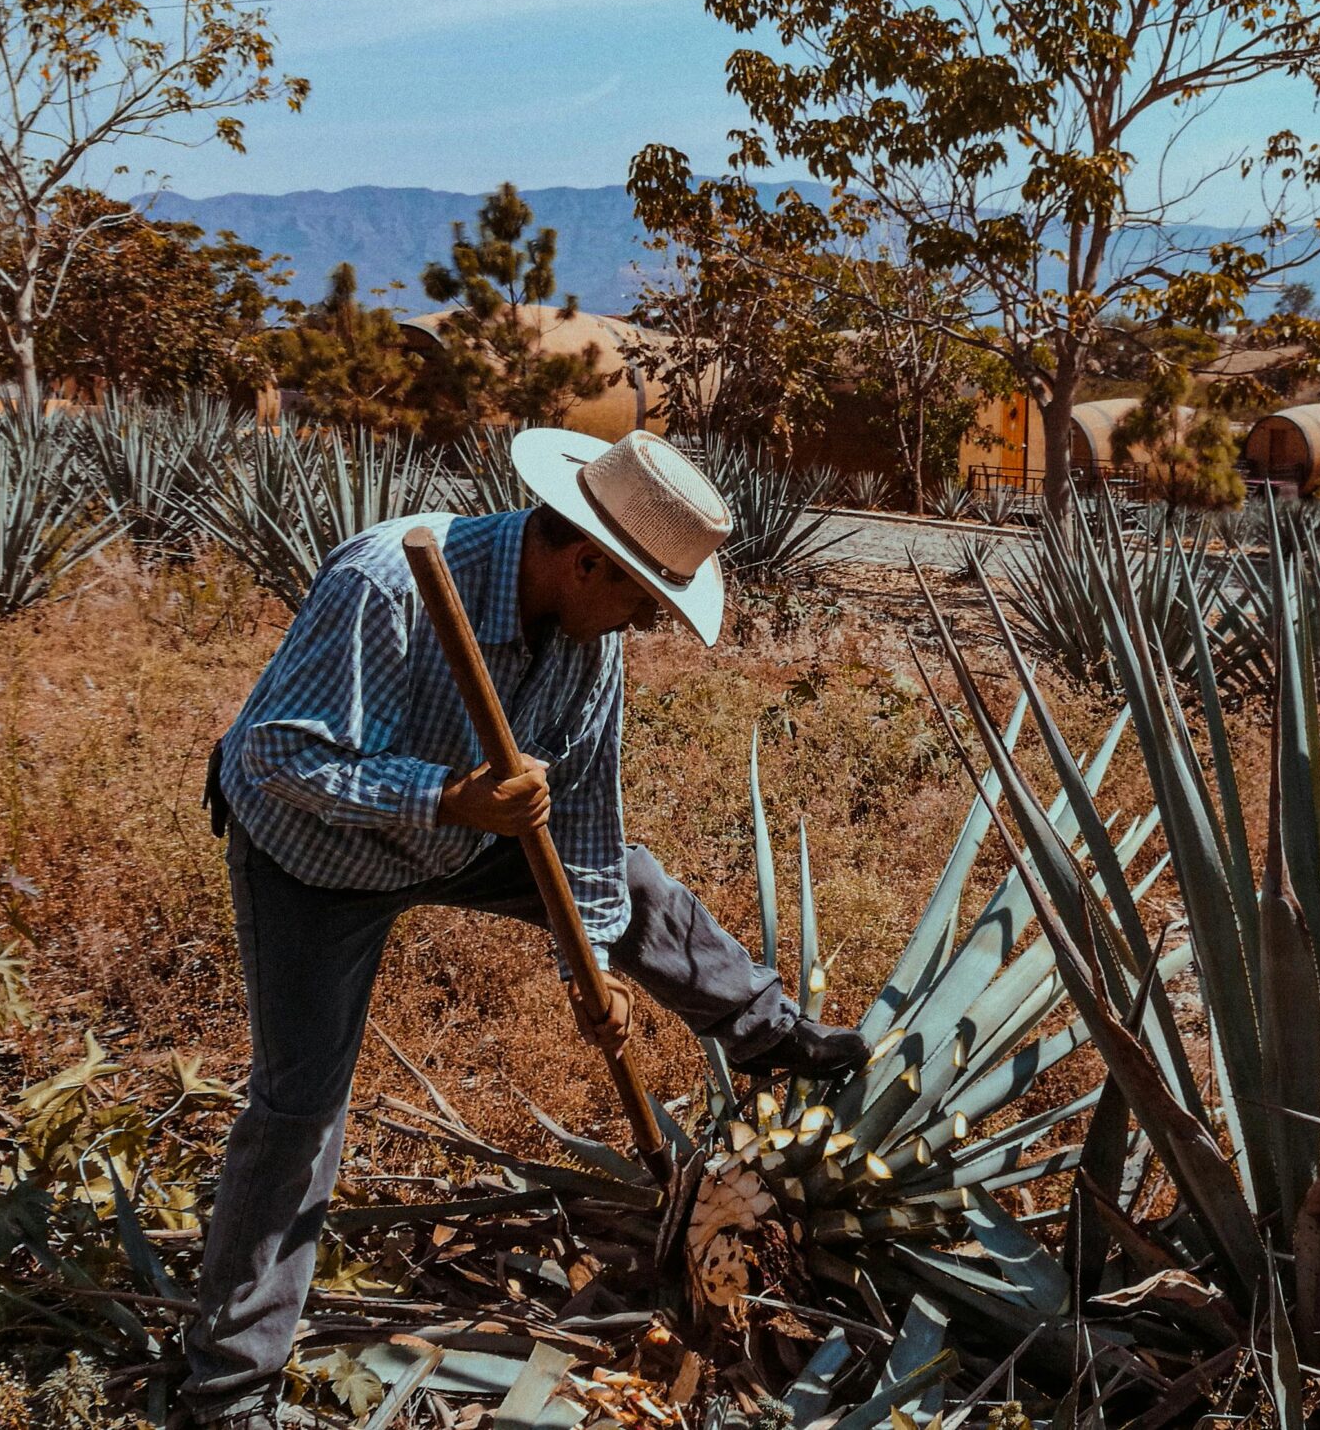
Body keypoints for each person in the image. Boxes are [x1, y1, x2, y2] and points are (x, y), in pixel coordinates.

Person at [179, 428, 870, 1426]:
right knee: (300, 1113)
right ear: (585, 556)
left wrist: (589, 961)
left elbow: (585, 828)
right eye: (638, 597)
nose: (641, 622)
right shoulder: (390, 578)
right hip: (312, 856)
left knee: (634, 885)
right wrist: (448, 797)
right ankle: (226, 1388)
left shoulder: (591, 648)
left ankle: (768, 1034)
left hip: (468, 832)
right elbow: (282, 754)